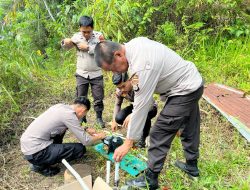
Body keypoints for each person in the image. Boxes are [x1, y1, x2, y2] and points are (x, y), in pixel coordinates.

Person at [94, 37, 204, 189]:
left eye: (113, 68)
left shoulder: (142, 66)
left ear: (119, 55)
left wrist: (128, 142)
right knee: (189, 126)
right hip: (192, 82)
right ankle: (192, 166)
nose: (115, 72)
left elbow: (141, 105)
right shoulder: (134, 44)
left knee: (159, 133)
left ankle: (150, 178)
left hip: (184, 90)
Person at [20, 96, 106, 177]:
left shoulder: (61, 107)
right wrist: (100, 136)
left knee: (62, 130)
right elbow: (86, 141)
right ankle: (40, 166)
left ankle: (45, 157)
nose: (82, 117)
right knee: (80, 149)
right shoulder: (69, 115)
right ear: (82, 110)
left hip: (29, 145)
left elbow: (69, 124)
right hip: (37, 153)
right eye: (84, 115)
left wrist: (86, 129)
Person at [61, 15, 105, 127]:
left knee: (98, 98)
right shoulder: (76, 37)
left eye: (88, 31)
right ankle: (82, 118)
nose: (86, 34)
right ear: (80, 28)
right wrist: (65, 42)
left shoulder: (99, 36)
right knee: (81, 98)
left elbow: (104, 51)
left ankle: (99, 119)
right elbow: (67, 47)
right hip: (82, 73)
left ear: (92, 28)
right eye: (83, 31)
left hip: (96, 73)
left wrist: (89, 48)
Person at [111, 73, 157, 148]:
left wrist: (133, 115)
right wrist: (114, 121)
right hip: (135, 106)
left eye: (123, 86)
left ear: (130, 80)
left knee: (143, 115)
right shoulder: (120, 90)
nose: (122, 89)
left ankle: (144, 136)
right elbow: (117, 104)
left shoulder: (139, 86)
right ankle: (137, 127)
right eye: (119, 87)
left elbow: (148, 105)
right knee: (118, 118)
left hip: (149, 107)